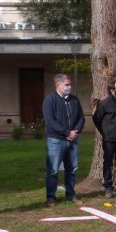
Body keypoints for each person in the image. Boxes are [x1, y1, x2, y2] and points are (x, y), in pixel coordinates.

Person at [43, 73, 85, 207]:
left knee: (72, 169)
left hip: (72, 141)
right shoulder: (49, 100)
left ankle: (71, 194)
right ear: (58, 85)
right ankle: (51, 197)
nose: (69, 87)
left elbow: (81, 118)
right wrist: (66, 132)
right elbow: (50, 122)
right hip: (56, 141)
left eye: (70, 84)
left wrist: (75, 132)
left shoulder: (74, 100)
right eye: (67, 84)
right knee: (53, 170)